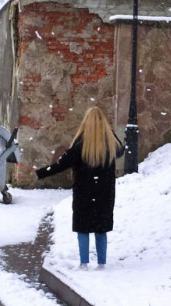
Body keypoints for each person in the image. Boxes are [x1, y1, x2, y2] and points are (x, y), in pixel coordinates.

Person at [35, 107, 123, 270]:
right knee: (101, 228)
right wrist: (108, 131)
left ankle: (84, 262)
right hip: (105, 192)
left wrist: (41, 173)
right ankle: (102, 263)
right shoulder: (111, 143)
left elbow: (61, 164)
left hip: (84, 192)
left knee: (83, 227)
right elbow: (121, 150)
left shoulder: (80, 144)